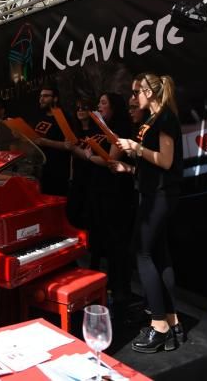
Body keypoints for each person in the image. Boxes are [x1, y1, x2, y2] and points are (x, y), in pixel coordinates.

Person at [113, 73, 183, 352]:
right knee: (159, 254)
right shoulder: (149, 121)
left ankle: (159, 326)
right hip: (151, 193)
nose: (132, 98)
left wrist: (136, 148)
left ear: (149, 93)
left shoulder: (165, 118)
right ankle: (171, 320)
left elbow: (165, 161)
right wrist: (129, 166)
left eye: (136, 92)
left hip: (161, 197)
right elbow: (151, 164)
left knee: (141, 253)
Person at [83, 92, 134, 313]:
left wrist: (86, 155)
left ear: (114, 107)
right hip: (99, 190)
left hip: (116, 192)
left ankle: (119, 290)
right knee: (100, 238)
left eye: (104, 103)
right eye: (100, 102)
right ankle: (99, 285)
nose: (99, 106)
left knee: (116, 243)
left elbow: (111, 160)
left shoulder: (120, 127)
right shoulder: (102, 127)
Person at [31, 86, 76, 196]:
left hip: (57, 171)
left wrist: (46, 142)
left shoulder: (63, 117)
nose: (41, 99)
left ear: (55, 99)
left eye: (46, 96)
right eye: (41, 96)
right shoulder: (39, 115)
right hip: (38, 169)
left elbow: (69, 145)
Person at [66, 99, 98, 229]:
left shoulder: (97, 132)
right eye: (78, 108)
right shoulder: (74, 131)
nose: (80, 111)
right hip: (77, 176)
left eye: (84, 108)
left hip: (92, 175)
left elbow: (89, 156)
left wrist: (73, 148)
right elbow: (72, 156)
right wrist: (71, 176)